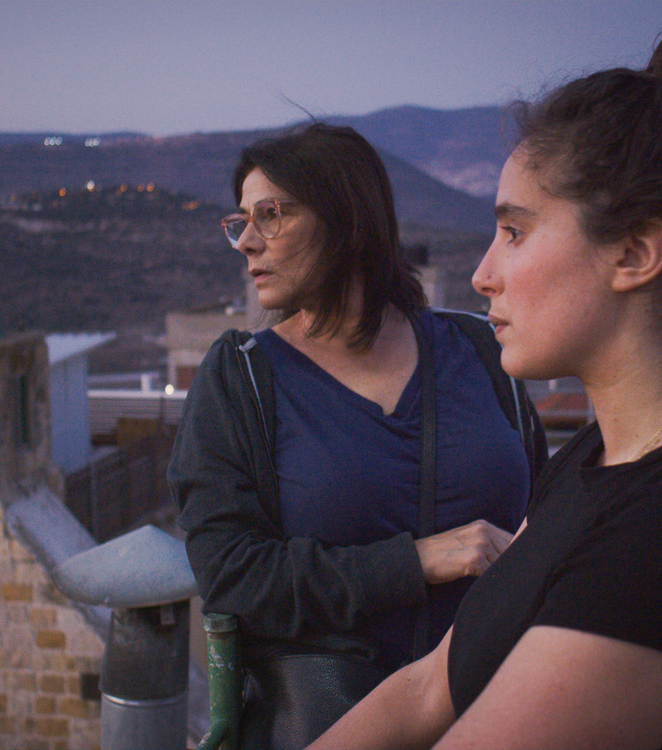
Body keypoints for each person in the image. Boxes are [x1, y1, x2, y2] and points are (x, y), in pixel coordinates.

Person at [310, 12, 662, 750]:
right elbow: (429, 686)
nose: (483, 274)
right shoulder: (599, 461)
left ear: (633, 253)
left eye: (516, 231)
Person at [168, 123, 546, 750]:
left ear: (346, 218)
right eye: (242, 221)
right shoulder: (242, 379)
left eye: (272, 215)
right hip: (330, 726)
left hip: (501, 714)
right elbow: (232, 576)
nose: (248, 242)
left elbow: (544, 509)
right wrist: (417, 560)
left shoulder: (477, 348)